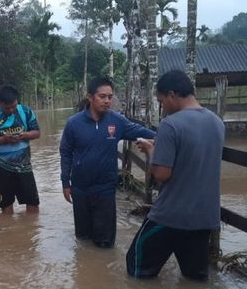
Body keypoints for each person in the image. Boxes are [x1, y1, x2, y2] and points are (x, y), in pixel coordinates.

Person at [126, 70, 225, 281]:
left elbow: (162, 174)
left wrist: (152, 151)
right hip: (204, 219)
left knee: (136, 268)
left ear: (171, 94)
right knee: (194, 277)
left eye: (161, 101)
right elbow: (193, 158)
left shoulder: (171, 124)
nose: (163, 107)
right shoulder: (217, 123)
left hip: (171, 216)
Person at [59, 77, 156, 248]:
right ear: (90, 97)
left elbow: (142, 132)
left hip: (105, 189)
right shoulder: (73, 123)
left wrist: (169, 135)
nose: (107, 101)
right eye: (102, 97)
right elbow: (65, 153)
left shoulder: (117, 121)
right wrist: (65, 183)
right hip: (80, 188)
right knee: (83, 240)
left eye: (110, 97)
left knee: (105, 243)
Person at [0, 84, 41, 214]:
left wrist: (24, 135)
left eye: (14, 106)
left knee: (32, 203)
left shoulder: (26, 111)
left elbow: (37, 133)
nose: (11, 110)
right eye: (7, 107)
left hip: (24, 166)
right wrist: (4, 140)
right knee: (5, 205)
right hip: (1, 166)